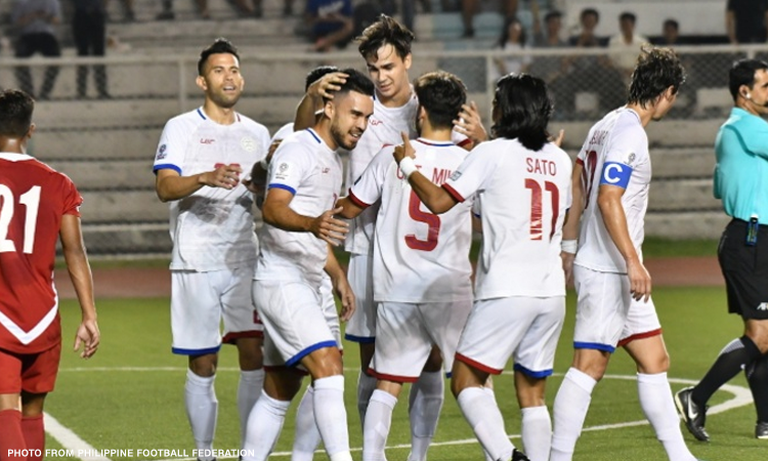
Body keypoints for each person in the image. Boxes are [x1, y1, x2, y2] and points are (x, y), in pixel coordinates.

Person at [293, 15, 486, 461]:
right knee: (373, 365)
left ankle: (417, 453)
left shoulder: (434, 107)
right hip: (368, 249)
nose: (381, 77)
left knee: (430, 362)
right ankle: (373, 453)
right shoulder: (359, 105)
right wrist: (312, 97)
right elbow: (306, 133)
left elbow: (481, 166)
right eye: (373, 68)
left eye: (388, 67)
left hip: (426, 257)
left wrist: (483, 137)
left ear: (407, 61)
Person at [393, 73, 572, 461]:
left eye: (496, 102)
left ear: (507, 108)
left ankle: (507, 456)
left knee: (465, 380)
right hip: (552, 292)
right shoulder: (560, 159)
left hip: (507, 289)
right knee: (532, 394)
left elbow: (439, 202)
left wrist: (407, 166)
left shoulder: (491, 153)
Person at [549, 45, 699, 461]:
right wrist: (633, 261)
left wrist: (569, 245)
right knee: (589, 366)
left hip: (609, 265)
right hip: (609, 269)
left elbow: (577, 179)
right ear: (667, 92)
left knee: (655, 358)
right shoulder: (631, 133)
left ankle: (680, 457)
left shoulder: (606, 123)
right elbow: (607, 197)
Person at [335, 70, 476, 461]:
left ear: (422, 111)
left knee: (387, 383)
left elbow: (351, 208)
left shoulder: (391, 156)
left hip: (397, 287)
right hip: (448, 288)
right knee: (460, 377)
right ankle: (422, 455)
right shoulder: (471, 161)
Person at [242, 68, 374, 461]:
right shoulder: (298, 147)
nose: (361, 125)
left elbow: (319, 227)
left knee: (282, 388)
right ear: (328, 108)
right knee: (328, 367)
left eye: (367, 117)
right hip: (282, 279)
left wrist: (338, 275)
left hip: (310, 278)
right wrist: (311, 224)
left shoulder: (333, 158)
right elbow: (273, 208)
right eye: (355, 114)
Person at [152, 38, 269, 458]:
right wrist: (204, 177)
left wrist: (260, 191)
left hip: (243, 260)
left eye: (234, 69)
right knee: (204, 363)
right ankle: (205, 452)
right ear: (203, 81)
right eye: (219, 70)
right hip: (195, 261)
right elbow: (165, 187)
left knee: (255, 354)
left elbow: (264, 200)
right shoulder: (181, 127)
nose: (229, 77)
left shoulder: (257, 133)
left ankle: (250, 452)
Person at [0, 89, 100, 461]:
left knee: (5, 408)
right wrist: (89, 315)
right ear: (31, 130)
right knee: (32, 411)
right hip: (42, 315)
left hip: (1, 313)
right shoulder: (59, 183)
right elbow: (75, 252)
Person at [675, 58, 768, 441]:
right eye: (766, 86)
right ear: (744, 92)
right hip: (751, 240)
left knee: (766, 335)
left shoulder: (736, 130)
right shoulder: (747, 127)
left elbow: (720, 186)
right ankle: (696, 397)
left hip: (753, 237)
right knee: (760, 335)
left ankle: (765, 422)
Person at [11, 0, 62, 100]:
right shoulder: (22, 2)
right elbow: (17, 22)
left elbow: (57, 21)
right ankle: (28, 92)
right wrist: (32, 16)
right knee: (19, 60)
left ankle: (45, 92)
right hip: (28, 35)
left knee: (56, 61)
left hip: (46, 35)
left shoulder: (52, 2)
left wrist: (45, 16)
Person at [72, 0, 110, 99]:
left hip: (96, 13)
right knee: (83, 54)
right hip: (82, 14)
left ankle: (101, 89)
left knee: (99, 54)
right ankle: (81, 90)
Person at [608, 12, 649, 81]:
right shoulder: (614, 42)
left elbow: (646, 60)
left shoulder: (642, 42)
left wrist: (633, 70)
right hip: (618, 76)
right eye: (623, 25)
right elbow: (611, 60)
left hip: (639, 74)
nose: (625, 27)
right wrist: (623, 70)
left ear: (633, 25)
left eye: (627, 24)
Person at [490, 17, 531, 85]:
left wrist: (517, 79)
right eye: (512, 30)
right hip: (503, 80)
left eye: (517, 30)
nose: (515, 32)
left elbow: (525, 66)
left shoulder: (526, 48)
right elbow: (500, 65)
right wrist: (508, 78)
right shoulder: (500, 47)